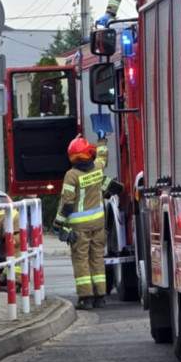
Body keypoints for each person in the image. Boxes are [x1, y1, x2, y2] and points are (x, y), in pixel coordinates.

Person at [53, 133, 114, 310]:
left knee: (81, 260)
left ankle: (86, 299)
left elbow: (67, 203)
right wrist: (102, 141)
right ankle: (100, 298)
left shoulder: (71, 176)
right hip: (98, 225)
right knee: (97, 258)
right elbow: (103, 157)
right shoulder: (97, 168)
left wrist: (58, 224)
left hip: (80, 227)